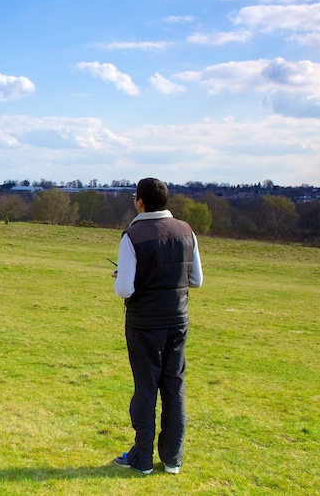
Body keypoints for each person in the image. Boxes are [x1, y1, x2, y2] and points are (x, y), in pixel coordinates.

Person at [111, 178, 203, 475]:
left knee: (146, 387)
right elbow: (196, 280)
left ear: (140, 202)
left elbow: (124, 289)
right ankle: (173, 458)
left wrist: (123, 275)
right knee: (174, 386)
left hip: (144, 324)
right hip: (177, 320)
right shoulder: (186, 231)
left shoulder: (133, 235)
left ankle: (142, 458)